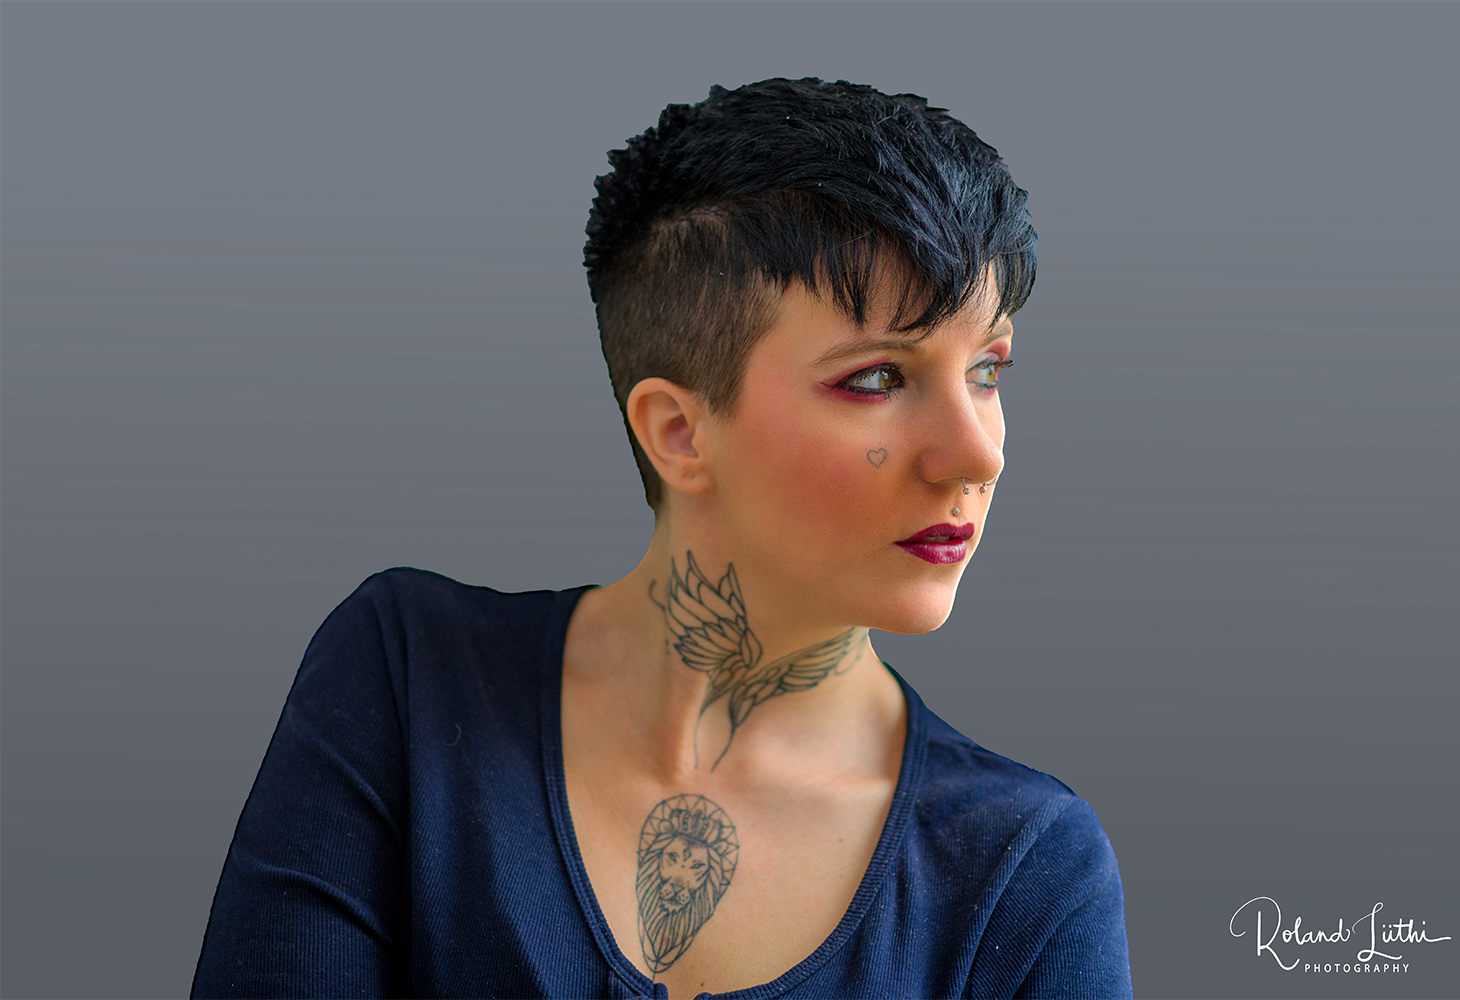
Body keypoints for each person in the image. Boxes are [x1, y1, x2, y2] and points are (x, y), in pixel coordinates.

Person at [191, 77, 1132, 999]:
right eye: (878, 378)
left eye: (988, 370)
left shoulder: (1027, 870)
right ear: (678, 432)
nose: (979, 453)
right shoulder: (405, 683)